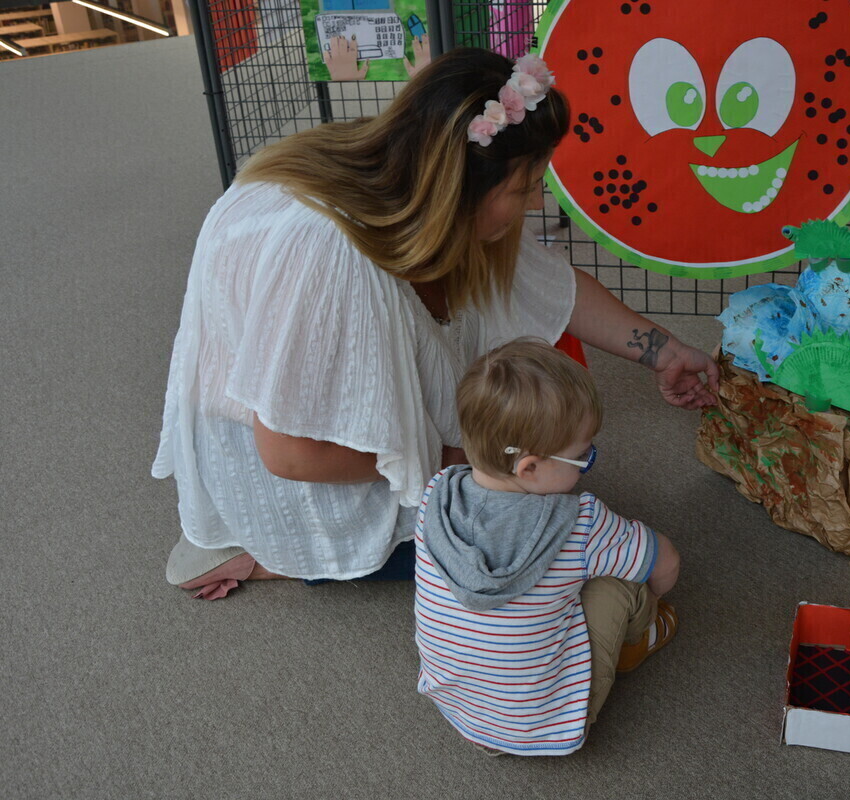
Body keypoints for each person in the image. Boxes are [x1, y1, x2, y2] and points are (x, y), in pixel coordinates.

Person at [153, 48, 717, 599]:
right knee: (530, 548)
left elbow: (552, 288)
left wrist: (665, 353)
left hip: (321, 432)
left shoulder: (424, 184)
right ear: (464, 187)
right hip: (291, 465)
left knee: (534, 488)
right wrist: (473, 460)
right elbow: (291, 455)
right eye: (525, 188)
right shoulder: (328, 255)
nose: (538, 204)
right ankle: (257, 552)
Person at [414, 339, 679, 755]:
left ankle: (492, 727)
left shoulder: (435, 496)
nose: (590, 459)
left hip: (460, 708)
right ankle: (640, 638)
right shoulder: (581, 524)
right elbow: (665, 560)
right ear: (529, 468)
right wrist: (653, 598)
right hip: (542, 725)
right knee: (625, 579)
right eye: (582, 456)